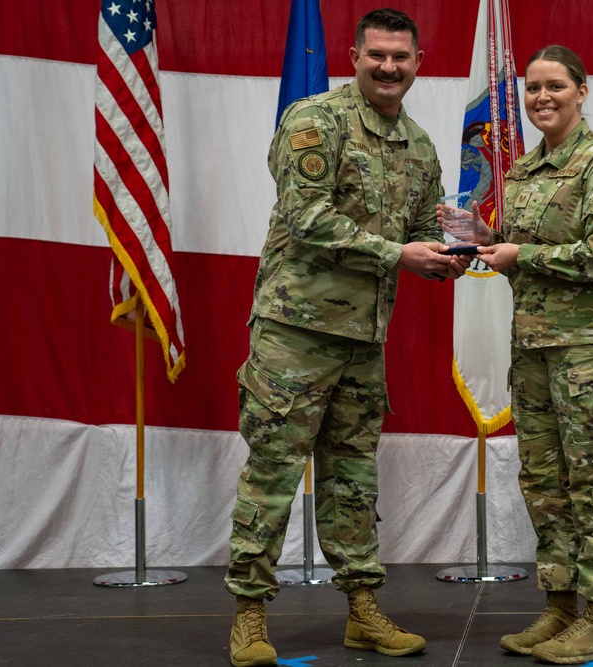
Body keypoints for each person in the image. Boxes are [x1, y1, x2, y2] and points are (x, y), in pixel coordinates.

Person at [226, 9, 470, 667]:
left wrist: (456, 255)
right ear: (355, 55)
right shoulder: (315, 121)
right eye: (377, 55)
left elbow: (423, 228)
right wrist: (401, 254)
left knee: (354, 480)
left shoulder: (419, 146)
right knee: (273, 475)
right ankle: (249, 614)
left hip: (364, 341)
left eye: (401, 57)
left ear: (418, 62)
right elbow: (307, 219)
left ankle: (363, 610)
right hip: (294, 333)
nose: (389, 67)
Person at [439, 45, 593, 665]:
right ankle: (560, 608)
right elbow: (524, 248)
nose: (541, 98)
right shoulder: (527, 172)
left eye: (555, 86)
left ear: (582, 91)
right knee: (544, 484)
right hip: (534, 347)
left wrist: (519, 257)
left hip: (592, 350)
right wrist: (487, 240)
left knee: (591, 483)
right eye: (532, 88)